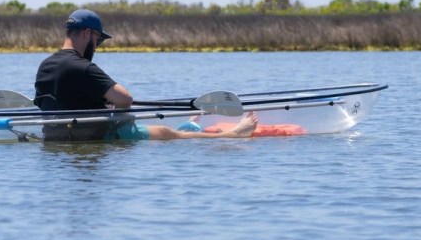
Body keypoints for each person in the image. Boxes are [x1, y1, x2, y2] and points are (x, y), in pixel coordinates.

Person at [34, 9, 258, 141]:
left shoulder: (44, 66)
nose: (98, 46)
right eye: (98, 40)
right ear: (86, 33)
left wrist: (101, 101)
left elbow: (63, 100)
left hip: (55, 136)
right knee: (164, 132)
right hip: (96, 136)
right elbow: (126, 99)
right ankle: (233, 135)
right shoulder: (82, 67)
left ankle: (191, 124)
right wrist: (113, 103)